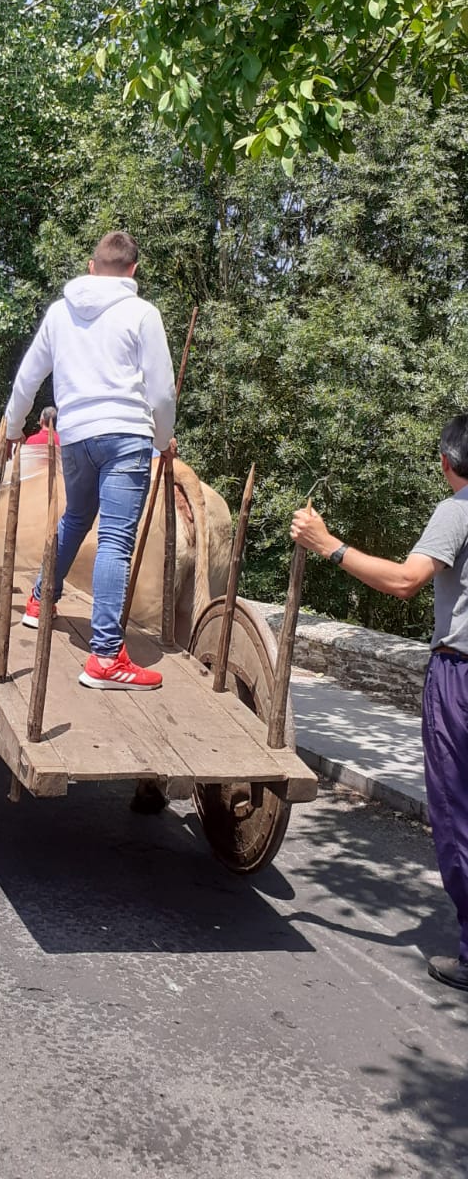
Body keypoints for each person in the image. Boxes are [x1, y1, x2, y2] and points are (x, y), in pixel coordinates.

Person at [292, 415, 468, 993]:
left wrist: (328, 545)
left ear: (446, 462)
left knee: (455, 811)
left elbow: (404, 582)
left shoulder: (458, 509)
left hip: (460, 677)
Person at [4, 230, 176, 691]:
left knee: (76, 517)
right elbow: (161, 392)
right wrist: (163, 440)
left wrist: (14, 426)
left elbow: (28, 376)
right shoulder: (142, 313)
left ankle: (40, 600)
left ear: (91, 266)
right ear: (133, 270)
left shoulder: (60, 312)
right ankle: (105, 657)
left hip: (76, 435)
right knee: (115, 541)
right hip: (126, 436)